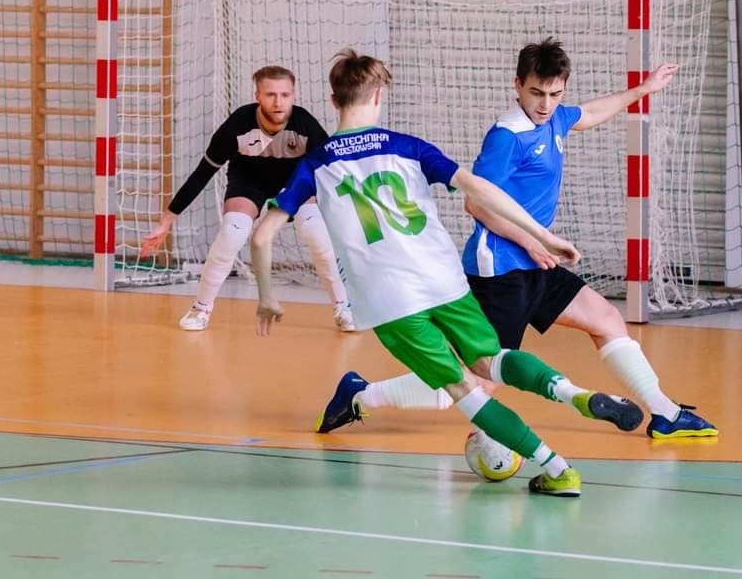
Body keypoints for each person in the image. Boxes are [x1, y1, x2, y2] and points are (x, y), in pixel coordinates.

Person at [253, 48, 645, 497]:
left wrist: (267, 297)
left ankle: (558, 469)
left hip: (391, 300)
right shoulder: (409, 146)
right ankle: (573, 393)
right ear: (378, 95)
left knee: (465, 390)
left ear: (332, 99)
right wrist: (544, 235)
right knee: (492, 361)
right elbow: (480, 189)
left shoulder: (315, 164)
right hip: (445, 281)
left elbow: (262, 237)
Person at [323, 38, 716, 440]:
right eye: (536, 93)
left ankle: (665, 413)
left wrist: (642, 90)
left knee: (607, 320)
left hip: (538, 262)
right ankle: (360, 395)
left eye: (555, 94)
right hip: (501, 270)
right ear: (518, 85)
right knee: (473, 382)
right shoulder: (507, 137)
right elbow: (476, 205)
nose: (545, 104)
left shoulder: (556, 119)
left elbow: (590, 113)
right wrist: (531, 241)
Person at [140, 65, 354, 332]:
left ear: (293, 96)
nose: (278, 102)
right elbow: (202, 174)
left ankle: (343, 307)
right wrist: (166, 221)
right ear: (258, 96)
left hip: (292, 184)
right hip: (249, 181)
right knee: (232, 232)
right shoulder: (236, 127)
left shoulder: (306, 126)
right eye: (271, 95)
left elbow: (331, 174)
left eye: (285, 95)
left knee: (315, 232)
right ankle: (201, 308)